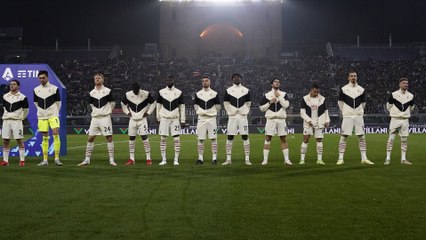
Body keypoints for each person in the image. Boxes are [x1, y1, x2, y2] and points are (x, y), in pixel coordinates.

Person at [78, 73, 116, 166]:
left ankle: (111, 160)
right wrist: (96, 111)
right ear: (94, 80)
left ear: (103, 80)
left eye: (99, 78)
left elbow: (113, 103)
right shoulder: (91, 93)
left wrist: (107, 110)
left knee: (109, 138)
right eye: (96, 78)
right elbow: (91, 104)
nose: (97, 79)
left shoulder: (108, 91)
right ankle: (87, 159)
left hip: (105, 118)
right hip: (95, 118)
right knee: (90, 138)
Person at [336, 71, 374, 165]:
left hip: (358, 116)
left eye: (355, 76)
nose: (353, 77)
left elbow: (363, 104)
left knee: (361, 137)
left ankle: (364, 158)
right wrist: (346, 111)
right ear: (348, 78)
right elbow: (340, 103)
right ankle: (340, 158)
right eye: (352, 76)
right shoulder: (344, 89)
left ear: (357, 78)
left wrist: (358, 111)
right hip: (348, 116)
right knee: (344, 136)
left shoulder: (361, 90)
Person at [121, 82, 156, 165]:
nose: (136, 92)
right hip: (132, 119)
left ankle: (148, 158)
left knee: (144, 138)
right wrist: (127, 112)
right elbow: (123, 103)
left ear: (139, 89)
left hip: (142, 119)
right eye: (134, 90)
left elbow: (153, 103)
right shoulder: (128, 94)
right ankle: (132, 159)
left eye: (137, 90)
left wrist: (148, 113)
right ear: (132, 89)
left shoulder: (146, 94)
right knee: (131, 139)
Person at [259, 78, 292, 165]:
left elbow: (286, 105)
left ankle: (286, 160)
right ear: (271, 84)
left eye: (278, 82)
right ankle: (265, 160)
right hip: (271, 119)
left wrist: (279, 97)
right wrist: (270, 102)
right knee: (268, 138)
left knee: (283, 139)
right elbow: (262, 108)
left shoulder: (283, 94)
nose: (277, 83)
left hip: (281, 119)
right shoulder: (267, 95)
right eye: (275, 82)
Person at [34, 70, 62, 166]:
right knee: (44, 137)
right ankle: (45, 160)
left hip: (53, 115)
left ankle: (57, 158)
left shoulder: (54, 88)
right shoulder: (36, 90)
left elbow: (58, 103)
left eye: (43, 78)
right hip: (42, 116)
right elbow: (36, 103)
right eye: (40, 78)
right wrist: (42, 112)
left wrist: (54, 112)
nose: (41, 79)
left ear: (47, 78)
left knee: (55, 133)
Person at [222, 73, 251, 165]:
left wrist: (245, 112)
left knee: (245, 136)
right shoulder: (228, 90)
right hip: (232, 117)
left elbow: (248, 103)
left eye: (238, 77)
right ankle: (228, 159)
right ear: (232, 79)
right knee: (230, 136)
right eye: (235, 77)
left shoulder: (246, 90)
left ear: (241, 79)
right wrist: (230, 112)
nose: (236, 79)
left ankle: (247, 159)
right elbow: (225, 103)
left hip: (242, 116)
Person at [385, 78, 415, 165]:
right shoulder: (393, 95)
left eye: (407, 83)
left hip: (405, 120)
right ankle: (387, 158)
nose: (406, 85)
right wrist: (396, 113)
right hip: (395, 119)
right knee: (391, 139)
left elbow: (412, 107)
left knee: (404, 140)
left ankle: (403, 159)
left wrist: (404, 113)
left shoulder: (411, 96)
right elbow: (388, 106)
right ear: (400, 84)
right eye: (404, 83)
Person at [156, 76, 185, 166]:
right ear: (165, 81)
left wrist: (183, 120)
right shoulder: (161, 92)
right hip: (164, 119)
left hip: (175, 119)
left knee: (176, 139)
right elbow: (158, 106)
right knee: (163, 139)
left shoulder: (179, 92)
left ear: (173, 81)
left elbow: (182, 107)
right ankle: (163, 159)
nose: (169, 81)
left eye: (170, 80)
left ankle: (176, 159)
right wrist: (158, 118)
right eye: (167, 80)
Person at [299, 84, 330, 165]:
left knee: (319, 140)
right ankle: (302, 160)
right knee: (305, 140)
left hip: (319, 122)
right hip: (308, 123)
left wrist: (327, 120)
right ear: (311, 90)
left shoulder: (322, 99)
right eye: (315, 91)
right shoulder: (305, 99)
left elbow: (326, 111)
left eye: (317, 92)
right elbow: (302, 113)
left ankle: (319, 160)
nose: (316, 93)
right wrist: (309, 120)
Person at [1, 80, 29, 166]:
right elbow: (4, 107)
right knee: (5, 140)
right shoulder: (5, 96)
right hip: (6, 120)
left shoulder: (23, 97)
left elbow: (26, 110)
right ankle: (5, 161)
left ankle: (22, 161)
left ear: (18, 86)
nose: (11, 86)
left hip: (16, 121)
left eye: (14, 84)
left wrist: (21, 118)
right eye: (10, 84)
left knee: (19, 140)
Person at [194, 76, 221, 165]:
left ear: (210, 82)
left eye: (206, 81)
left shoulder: (214, 93)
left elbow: (218, 106)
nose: (204, 82)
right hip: (201, 118)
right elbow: (196, 106)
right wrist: (201, 112)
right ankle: (200, 158)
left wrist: (211, 113)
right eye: (203, 81)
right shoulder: (198, 94)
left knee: (213, 138)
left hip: (211, 118)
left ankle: (214, 158)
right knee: (200, 139)